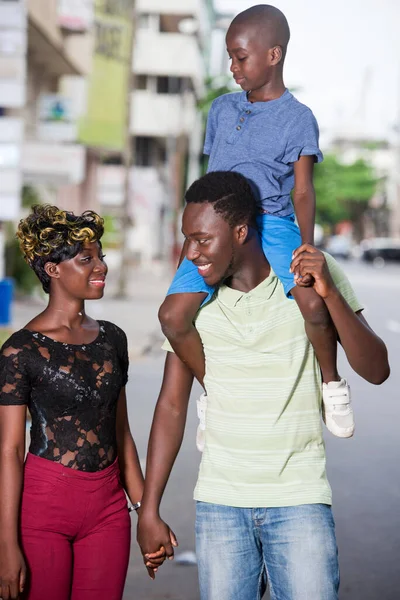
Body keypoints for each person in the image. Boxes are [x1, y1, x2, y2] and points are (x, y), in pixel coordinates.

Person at [137, 171, 390, 600]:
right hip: (219, 504)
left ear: (240, 232)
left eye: (202, 240)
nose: (190, 254)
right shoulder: (194, 300)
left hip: (299, 499)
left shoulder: (310, 279)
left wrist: (331, 295)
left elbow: (377, 369)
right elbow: (171, 406)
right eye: (187, 240)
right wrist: (149, 509)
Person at [159, 4, 354, 439]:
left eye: (240, 57)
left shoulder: (298, 118)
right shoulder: (222, 110)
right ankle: (217, 391)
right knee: (173, 316)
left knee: (311, 304)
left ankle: (332, 382)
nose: (232, 67)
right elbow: (211, 181)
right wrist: (194, 242)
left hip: (273, 222)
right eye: (228, 56)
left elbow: (302, 190)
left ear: (274, 55)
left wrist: (308, 247)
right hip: (222, 224)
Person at [0, 205, 163, 600]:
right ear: (52, 269)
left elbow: (120, 432)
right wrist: (6, 545)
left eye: (100, 256)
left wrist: (146, 511)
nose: (100, 266)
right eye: (86, 259)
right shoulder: (20, 350)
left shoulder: (113, 338)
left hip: (108, 510)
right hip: (43, 511)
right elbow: (8, 450)